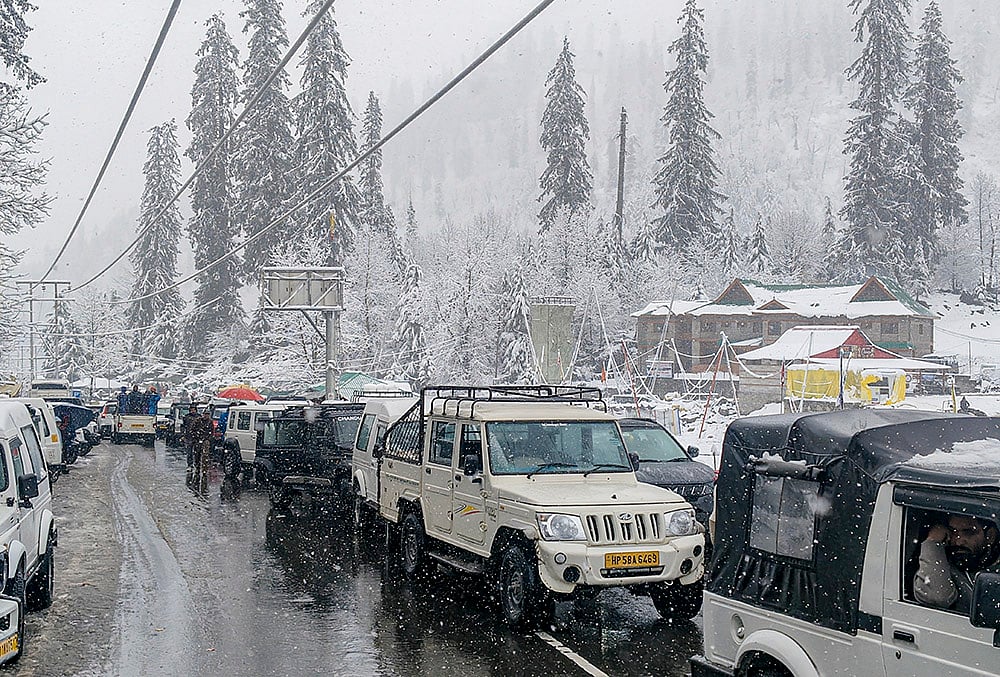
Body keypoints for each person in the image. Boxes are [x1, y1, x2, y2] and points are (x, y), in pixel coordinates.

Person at [914, 513, 1000, 613]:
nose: (958, 541)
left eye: (968, 532)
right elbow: (937, 597)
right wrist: (933, 542)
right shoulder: (942, 566)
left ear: (990, 536)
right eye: (953, 532)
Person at [181, 404, 202, 468]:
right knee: (189, 452)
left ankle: (197, 464)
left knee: (197, 452)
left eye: (194, 409)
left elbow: (201, 427)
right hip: (189, 436)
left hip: (197, 437)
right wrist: (183, 435)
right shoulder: (186, 417)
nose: (192, 411)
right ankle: (190, 464)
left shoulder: (199, 417)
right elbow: (184, 427)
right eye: (191, 410)